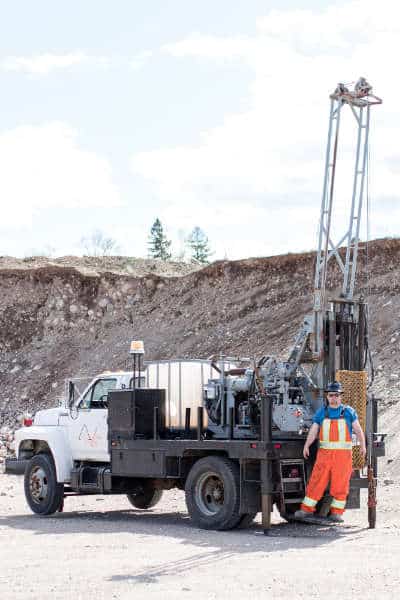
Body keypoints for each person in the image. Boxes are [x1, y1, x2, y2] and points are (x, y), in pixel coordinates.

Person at [295, 381, 366, 523]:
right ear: (327, 397)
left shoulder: (348, 412)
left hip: (343, 457)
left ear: (341, 396)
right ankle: (306, 510)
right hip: (325, 456)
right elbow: (314, 430)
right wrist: (307, 445)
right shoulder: (322, 412)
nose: (334, 398)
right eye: (331, 395)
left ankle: (336, 513)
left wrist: (363, 445)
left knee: (340, 485)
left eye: (336, 395)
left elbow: (358, 429)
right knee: (316, 482)